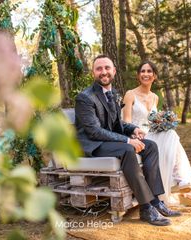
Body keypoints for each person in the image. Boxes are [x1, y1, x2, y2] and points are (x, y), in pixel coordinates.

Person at [75, 55, 181, 226]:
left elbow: (117, 123)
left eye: (107, 68)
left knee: (151, 146)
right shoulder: (85, 97)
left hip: (108, 142)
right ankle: (146, 208)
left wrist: (133, 129)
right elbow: (94, 131)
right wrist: (127, 140)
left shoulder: (113, 93)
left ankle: (155, 200)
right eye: (99, 68)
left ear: (114, 71)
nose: (104, 72)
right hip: (92, 145)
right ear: (93, 72)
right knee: (128, 149)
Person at [122, 60, 191, 206]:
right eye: (143, 71)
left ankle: (184, 187)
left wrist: (163, 123)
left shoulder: (155, 97)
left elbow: (152, 121)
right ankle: (183, 184)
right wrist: (135, 133)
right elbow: (126, 123)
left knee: (170, 134)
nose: (146, 74)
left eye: (149, 71)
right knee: (171, 135)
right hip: (137, 137)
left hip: (153, 134)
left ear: (154, 76)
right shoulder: (130, 94)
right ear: (138, 75)